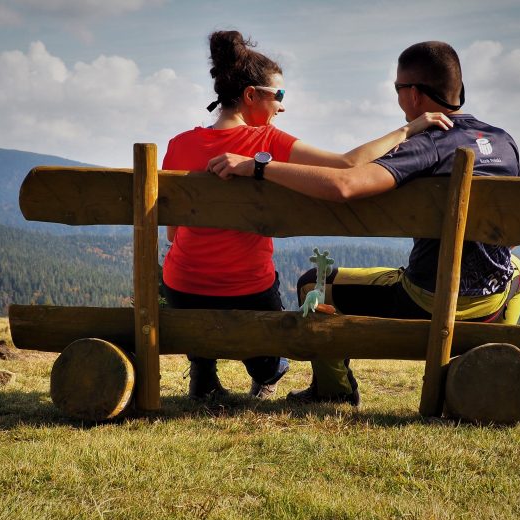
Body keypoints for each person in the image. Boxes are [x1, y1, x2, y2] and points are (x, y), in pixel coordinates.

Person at [206, 41, 520, 406]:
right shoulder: (504, 142)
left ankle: (334, 391)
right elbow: (510, 238)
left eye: (397, 89)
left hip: (427, 298)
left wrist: (258, 165)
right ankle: (497, 350)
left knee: (314, 283)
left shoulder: (428, 145)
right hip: (494, 294)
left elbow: (346, 184)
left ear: (413, 95)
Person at [163, 31, 452, 401]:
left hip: (183, 289)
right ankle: (267, 370)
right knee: (271, 362)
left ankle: (203, 372)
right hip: (247, 289)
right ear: (251, 95)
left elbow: (171, 236)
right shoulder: (265, 140)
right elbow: (348, 163)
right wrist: (410, 128)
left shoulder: (178, 145)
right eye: (278, 96)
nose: (282, 107)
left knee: (191, 285)